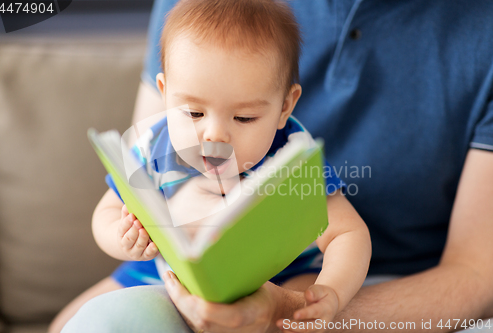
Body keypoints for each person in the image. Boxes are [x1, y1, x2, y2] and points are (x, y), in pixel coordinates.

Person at [59, 0, 493, 332]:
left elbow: (347, 233)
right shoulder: (154, 140)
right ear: (165, 89)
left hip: (284, 278)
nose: (214, 136)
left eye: (244, 118)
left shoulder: (289, 154)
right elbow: (109, 210)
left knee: (298, 294)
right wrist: (123, 237)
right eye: (193, 113)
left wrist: (331, 293)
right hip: (159, 267)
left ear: (285, 108)